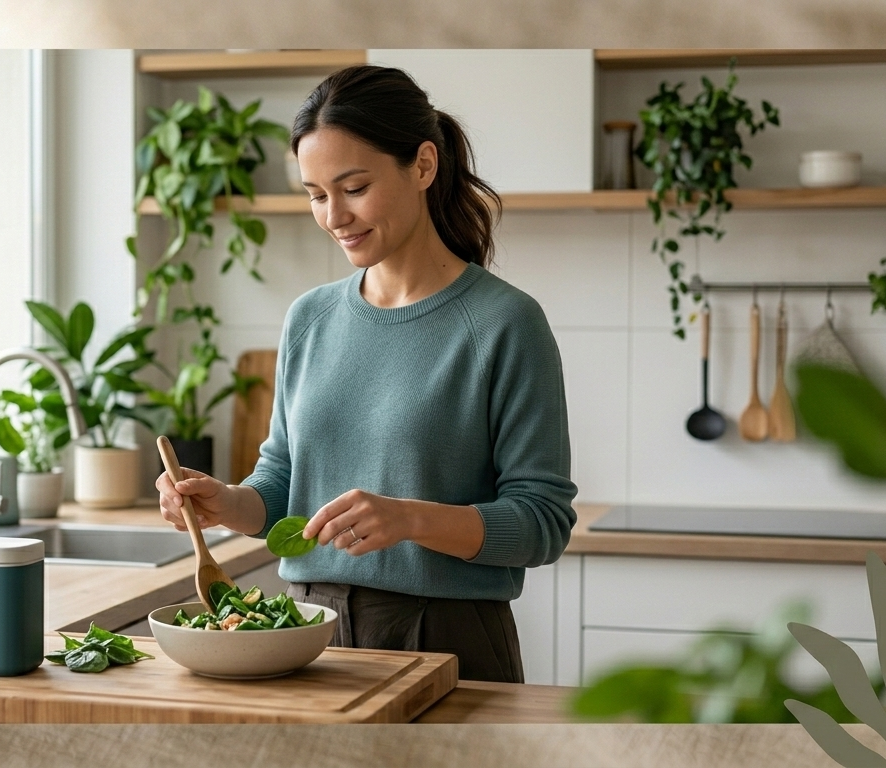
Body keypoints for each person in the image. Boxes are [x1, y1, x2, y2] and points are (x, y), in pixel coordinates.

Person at [155, 64, 577, 683]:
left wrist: (410, 520)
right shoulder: (311, 317)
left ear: (424, 166)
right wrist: (227, 504)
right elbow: (282, 490)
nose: (334, 216)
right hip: (302, 634)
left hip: (447, 640)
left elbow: (543, 522)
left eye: (354, 187)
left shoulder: (504, 322)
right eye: (316, 194)